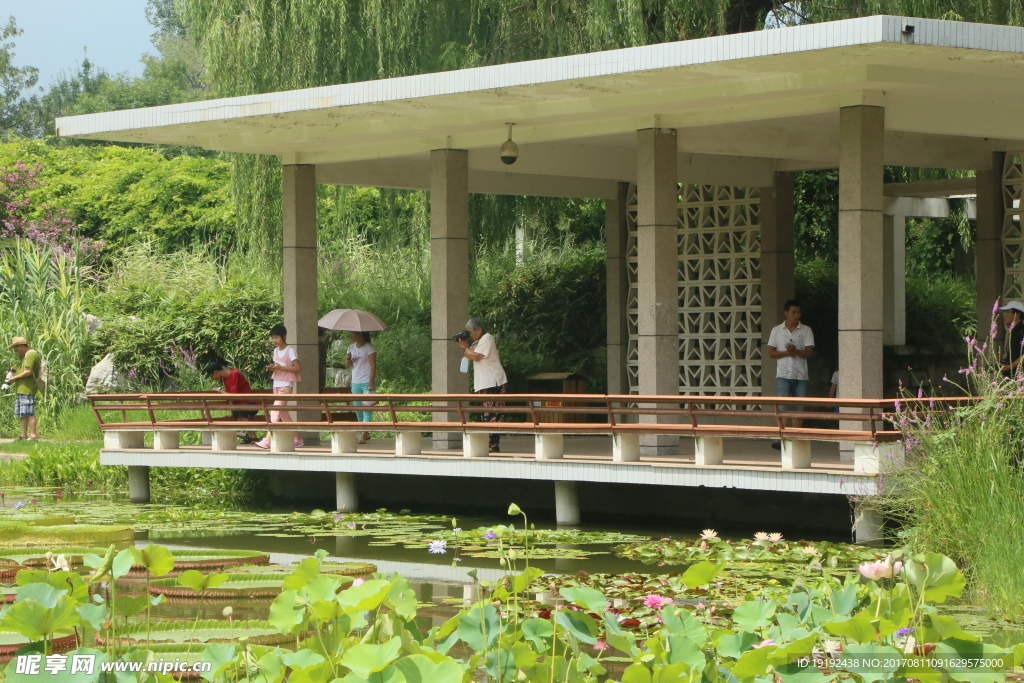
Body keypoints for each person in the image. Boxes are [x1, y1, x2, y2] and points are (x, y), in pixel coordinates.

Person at [766, 300, 814, 449]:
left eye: (798, 312)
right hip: (783, 374)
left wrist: (795, 351)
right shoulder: (776, 330)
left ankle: (796, 437)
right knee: (782, 407)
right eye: (793, 312)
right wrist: (787, 352)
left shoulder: (806, 330)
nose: (796, 315)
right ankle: (781, 438)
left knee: (799, 407)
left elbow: (808, 352)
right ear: (786, 313)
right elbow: (771, 353)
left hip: (801, 375)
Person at [457, 318, 508, 453]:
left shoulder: (487, 338)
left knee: (492, 414)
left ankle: (492, 444)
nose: (470, 334)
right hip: (486, 383)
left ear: (480, 329)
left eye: (471, 332)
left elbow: (475, 356)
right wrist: (465, 344)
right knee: (488, 414)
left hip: (493, 382)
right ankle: (491, 444)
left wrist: (464, 347)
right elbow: (469, 354)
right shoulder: (478, 341)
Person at [254, 325, 304, 449]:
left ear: (284, 336)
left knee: (275, 410)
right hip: (277, 383)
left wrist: (280, 367)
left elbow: (297, 368)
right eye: (273, 338)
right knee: (283, 414)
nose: (275, 340)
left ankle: (268, 440)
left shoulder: (290, 350)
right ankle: (297, 439)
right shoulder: (275, 351)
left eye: (277, 337)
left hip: (286, 385)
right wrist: (274, 367)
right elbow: (279, 365)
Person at [204, 361, 259, 443]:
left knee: (241, 413)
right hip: (240, 404)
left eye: (212, 376)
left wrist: (220, 390)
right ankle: (250, 437)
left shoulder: (234, 374)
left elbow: (233, 395)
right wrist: (232, 411)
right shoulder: (225, 379)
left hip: (250, 402)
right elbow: (231, 397)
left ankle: (253, 437)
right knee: (236, 413)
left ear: (216, 372)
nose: (213, 378)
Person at [345, 331, 377, 444]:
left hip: (366, 381)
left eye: (353, 334)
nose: (351, 336)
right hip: (355, 381)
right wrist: (348, 359)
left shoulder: (369, 348)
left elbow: (373, 365)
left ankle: (363, 434)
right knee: (358, 409)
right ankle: (365, 431)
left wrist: (371, 383)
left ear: (361, 335)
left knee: (367, 409)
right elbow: (347, 366)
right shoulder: (351, 348)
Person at [6, 337, 39, 441]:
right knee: (23, 413)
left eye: (16, 350)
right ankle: (23, 435)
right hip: (22, 388)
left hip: (27, 388)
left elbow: (29, 371)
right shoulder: (26, 356)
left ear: (21, 347)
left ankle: (33, 435)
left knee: (29, 412)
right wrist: (15, 371)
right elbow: (24, 370)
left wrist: (13, 378)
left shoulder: (31, 354)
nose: (16, 352)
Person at [999, 301, 1024, 377]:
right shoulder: (1014, 331)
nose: (1004, 315)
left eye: (1007, 312)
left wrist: (1009, 367)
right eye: (1004, 312)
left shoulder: (1021, 330)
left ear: (1017, 315)